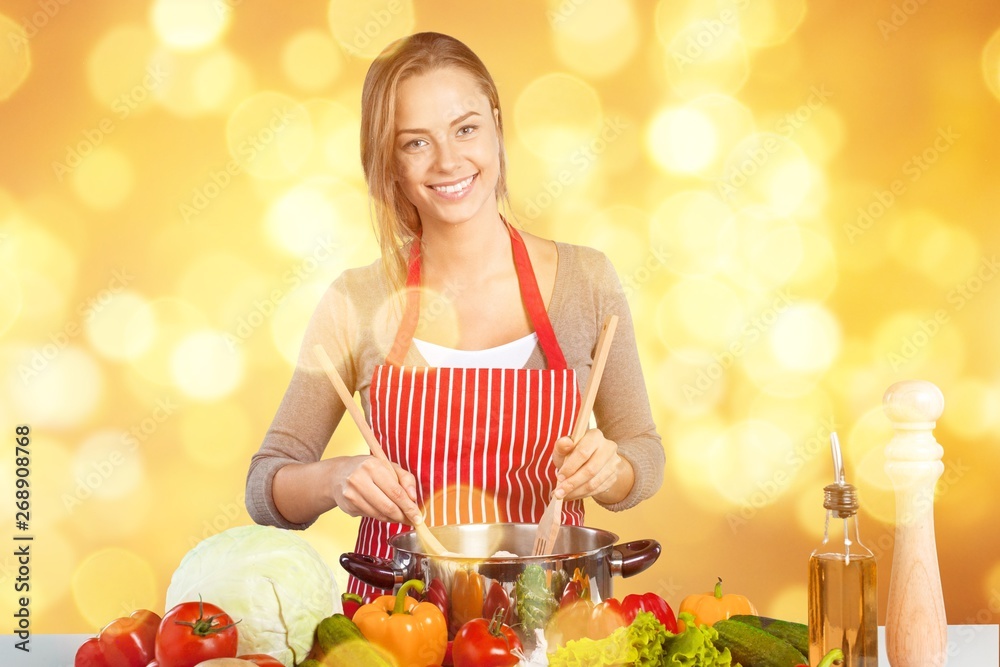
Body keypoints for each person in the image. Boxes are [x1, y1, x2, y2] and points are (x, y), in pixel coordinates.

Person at [245, 31, 664, 599]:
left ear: (495, 124)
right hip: (394, 628)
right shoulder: (358, 299)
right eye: (415, 142)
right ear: (388, 161)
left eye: (465, 128)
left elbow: (643, 451)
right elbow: (265, 486)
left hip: (546, 622)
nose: (448, 161)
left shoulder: (586, 282)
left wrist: (610, 471)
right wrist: (333, 479)